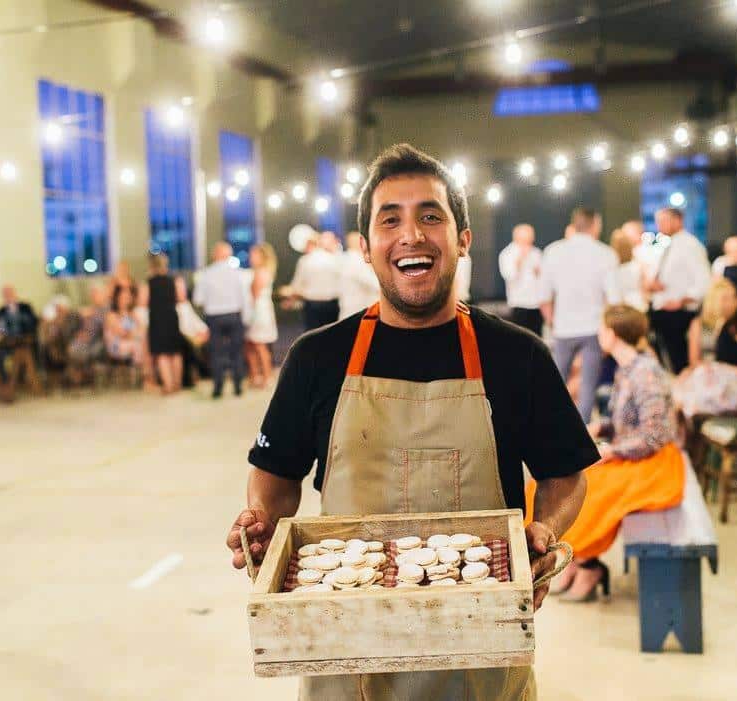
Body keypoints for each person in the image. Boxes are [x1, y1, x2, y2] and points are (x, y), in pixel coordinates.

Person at [227, 143, 594, 701]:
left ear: (462, 240)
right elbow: (276, 476)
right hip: (345, 658)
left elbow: (566, 476)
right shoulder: (318, 357)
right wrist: (260, 522)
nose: (411, 235)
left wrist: (544, 530)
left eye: (431, 216)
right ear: (367, 250)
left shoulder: (517, 356)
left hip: (480, 658)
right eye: (389, 220)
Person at [531, 305, 685, 602]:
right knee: (572, 478)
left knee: (591, 489)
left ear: (613, 334)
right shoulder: (626, 367)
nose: (599, 334)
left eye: (602, 329)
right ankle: (578, 559)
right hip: (634, 453)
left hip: (655, 461)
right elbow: (621, 421)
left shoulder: (645, 372)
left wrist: (611, 450)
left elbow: (654, 436)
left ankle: (588, 564)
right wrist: (595, 430)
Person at [540, 206, 619, 422]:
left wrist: (553, 323)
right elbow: (614, 300)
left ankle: (549, 428)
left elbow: (544, 298)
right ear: (595, 225)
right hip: (594, 328)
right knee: (588, 388)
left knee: (555, 384)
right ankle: (582, 438)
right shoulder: (605, 253)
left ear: (574, 224)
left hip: (563, 327)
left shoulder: (553, 251)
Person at [673, 293, 737, 420]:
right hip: (729, 378)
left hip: (725, 377)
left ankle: (687, 413)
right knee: (697, 383)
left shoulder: (727, 326)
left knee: (693, 387)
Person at [644, 207, 711, 373]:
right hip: (663, 309)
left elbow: (703, 282)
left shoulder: (690, 245)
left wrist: (680, 301)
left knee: (679, 363)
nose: (659, 226)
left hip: (678, 314)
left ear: (678, 220)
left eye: (663, 221)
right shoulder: (670, 244)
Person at [194, 242, 249, 398]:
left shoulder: (206, 274)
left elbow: (198, 299)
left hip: (214, 317)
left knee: (216, 353)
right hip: (234, 315)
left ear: (214, 255)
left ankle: (218, 387)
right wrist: (246, 318)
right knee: (236, 352)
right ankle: (238, 386)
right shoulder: (238, 274)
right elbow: (244, 298)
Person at [142, 252, 185, 394]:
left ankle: (168, 385)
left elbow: (143, 301)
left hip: (157, 318)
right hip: (172, 316)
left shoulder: (149, 282)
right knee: (175, 351)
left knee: (162, 353)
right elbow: (181, 298)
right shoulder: (175, 280)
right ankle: (177, 383)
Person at [288, 231, 341, 329]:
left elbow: (297, 285)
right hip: (332, 305)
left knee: (314, 338)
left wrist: (291, 299)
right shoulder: (334, 259)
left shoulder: (305, 260)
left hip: (312, 306)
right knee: (333, 335)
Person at [498, 223, 544, 334]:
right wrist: (520, 260)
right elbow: (509, 276)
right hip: (519, 303)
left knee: (537, 339)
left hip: (536, 303)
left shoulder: (536, 253)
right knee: (521, 338)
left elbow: (543, 278)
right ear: (517, 237)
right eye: (525, 237)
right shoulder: (507, 253)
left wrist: (538, 272)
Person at [244, 242, 278, 389]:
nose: (251, 257)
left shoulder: (261, 272)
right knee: (251, 344)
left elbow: (254, 294)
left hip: (258, 311)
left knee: (259, 345)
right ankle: (256, 375)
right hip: (260, 309)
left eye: (254, 254)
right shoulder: (260, 271)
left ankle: (266, 375)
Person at [686, 277, 737, 368]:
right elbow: (693, 360)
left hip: (729, 372)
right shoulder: (698, 324)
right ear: (714, 300)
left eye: (733, 297)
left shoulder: (736, 324)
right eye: (725, 299)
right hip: (703, 371)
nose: (731, 303)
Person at [66, 285, 110, 385]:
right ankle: (78, 376)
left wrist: (88, 334)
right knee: (73, 348)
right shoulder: (88, 309)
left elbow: (104, 326)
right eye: (93, 294)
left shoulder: (107, 309)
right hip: (82, 339)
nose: (94, 296)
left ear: (104, 295)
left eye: (97, 294)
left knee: (82, 350)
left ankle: (82, 376)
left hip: (98, 340)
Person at [0, 285, 39, 381]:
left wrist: (16, 314)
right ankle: (6, 381)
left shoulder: (26, 307)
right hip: (8, 342)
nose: (8, 296)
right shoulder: (0, 311)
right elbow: (0, 329)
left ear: (15, 294)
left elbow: (33, 323)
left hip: (25, 341)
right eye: (5, 294)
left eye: (10, 293)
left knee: (29, 351)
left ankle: (30, 377)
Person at [337, 231, 380, 319]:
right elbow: (375, 284)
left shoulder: (346, 258)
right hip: (358, 311)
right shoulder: (356, 261)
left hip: (351, 310)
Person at [104, 284, 145, 366]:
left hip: (132, 341)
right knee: (138, 347)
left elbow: (142, 330)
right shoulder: (112, 315)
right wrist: (135, 333)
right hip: (116, 345)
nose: (127, 298)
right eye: (124, 295)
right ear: (117, 298)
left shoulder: (132, 313)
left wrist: (136, 334)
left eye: (128, 295)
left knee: (145, 345)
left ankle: (146, 375)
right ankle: (142, 374)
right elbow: (122, 333)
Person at [608, 228, 646, 311]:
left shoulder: (610, 268)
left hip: (620, 306)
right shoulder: (638, 265)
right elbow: (644, 287)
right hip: (638, 304)